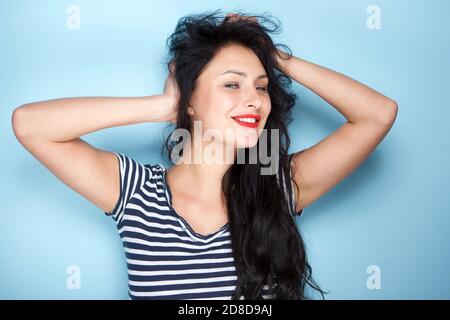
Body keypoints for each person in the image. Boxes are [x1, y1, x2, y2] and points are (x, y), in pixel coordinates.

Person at [11, 10, 398, 300]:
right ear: (190, 98)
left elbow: (377, 115)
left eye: (262, 87)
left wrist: (276, 57)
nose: (254, 100)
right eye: (232, 83)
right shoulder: (134, 191)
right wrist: (164, 106)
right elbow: (30, 125)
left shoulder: (278, 184)